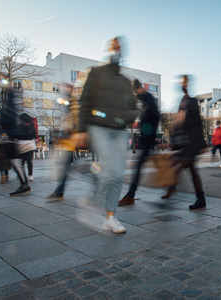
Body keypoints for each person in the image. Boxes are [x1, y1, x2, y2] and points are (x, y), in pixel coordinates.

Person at [75, 36, 138, 233]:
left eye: (118, 48)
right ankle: (92, 197)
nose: (115, 51)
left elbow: (133, 107)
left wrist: (126, 116)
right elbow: (84, 101)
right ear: (107, 50)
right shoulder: (96, 73)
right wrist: (81, 130)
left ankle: (109, 217)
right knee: (110, 169)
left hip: (119, 130)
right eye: (113, 47)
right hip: (98, 127)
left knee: (118, 174)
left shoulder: (125, 81)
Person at [162, 75, 207, 210]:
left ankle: (172, 188)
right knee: (192, 170)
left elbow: (197, 122)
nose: (182, 85)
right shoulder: (183, 100)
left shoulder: (192, 101)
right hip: (185, 143)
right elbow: (178, 125)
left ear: (187, 84)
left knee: (180, 165)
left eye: (184, 83)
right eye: (181, 83)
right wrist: (173, 142)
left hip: (191, 143)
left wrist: (183, 118)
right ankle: (200, 198)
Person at [118, 79, 160, 206]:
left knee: (137, 167)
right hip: (146, 138)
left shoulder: (149, 98)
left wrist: (149, 133)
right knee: (157, 165)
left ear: (138, 88)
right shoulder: (143, 99)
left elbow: (156, 116)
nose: (135, 94)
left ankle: (130, 195)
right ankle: (172, 186)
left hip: (148, 139)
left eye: (135, 91)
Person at [16, 113, 37, 181]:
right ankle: (30, 175)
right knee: (29, 161)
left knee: (21, 161)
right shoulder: (32, 126)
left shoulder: (19, 126)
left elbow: (16, 136)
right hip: (30, 145)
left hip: (20, 145)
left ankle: (20, 174)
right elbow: (34, 135)